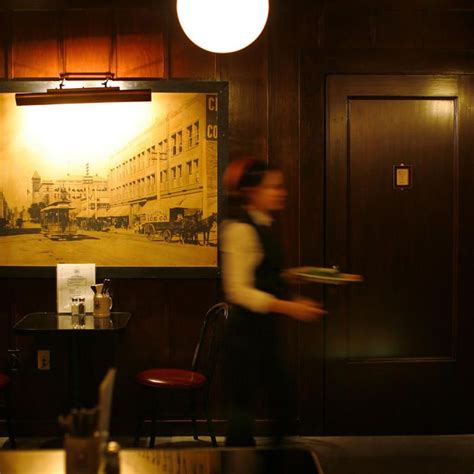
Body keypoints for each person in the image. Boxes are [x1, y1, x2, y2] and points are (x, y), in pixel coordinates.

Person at [220, 157, 326, 447]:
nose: (282, 192)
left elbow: (263, 274)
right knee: (244, 417)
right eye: (273, 187)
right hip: (244, 338)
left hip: (263, 335)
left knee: (279, 405)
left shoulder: (263, 225)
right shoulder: (239, 229)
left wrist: (295, 276)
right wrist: (291, 307)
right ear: (251, 191)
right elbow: (239, 290)